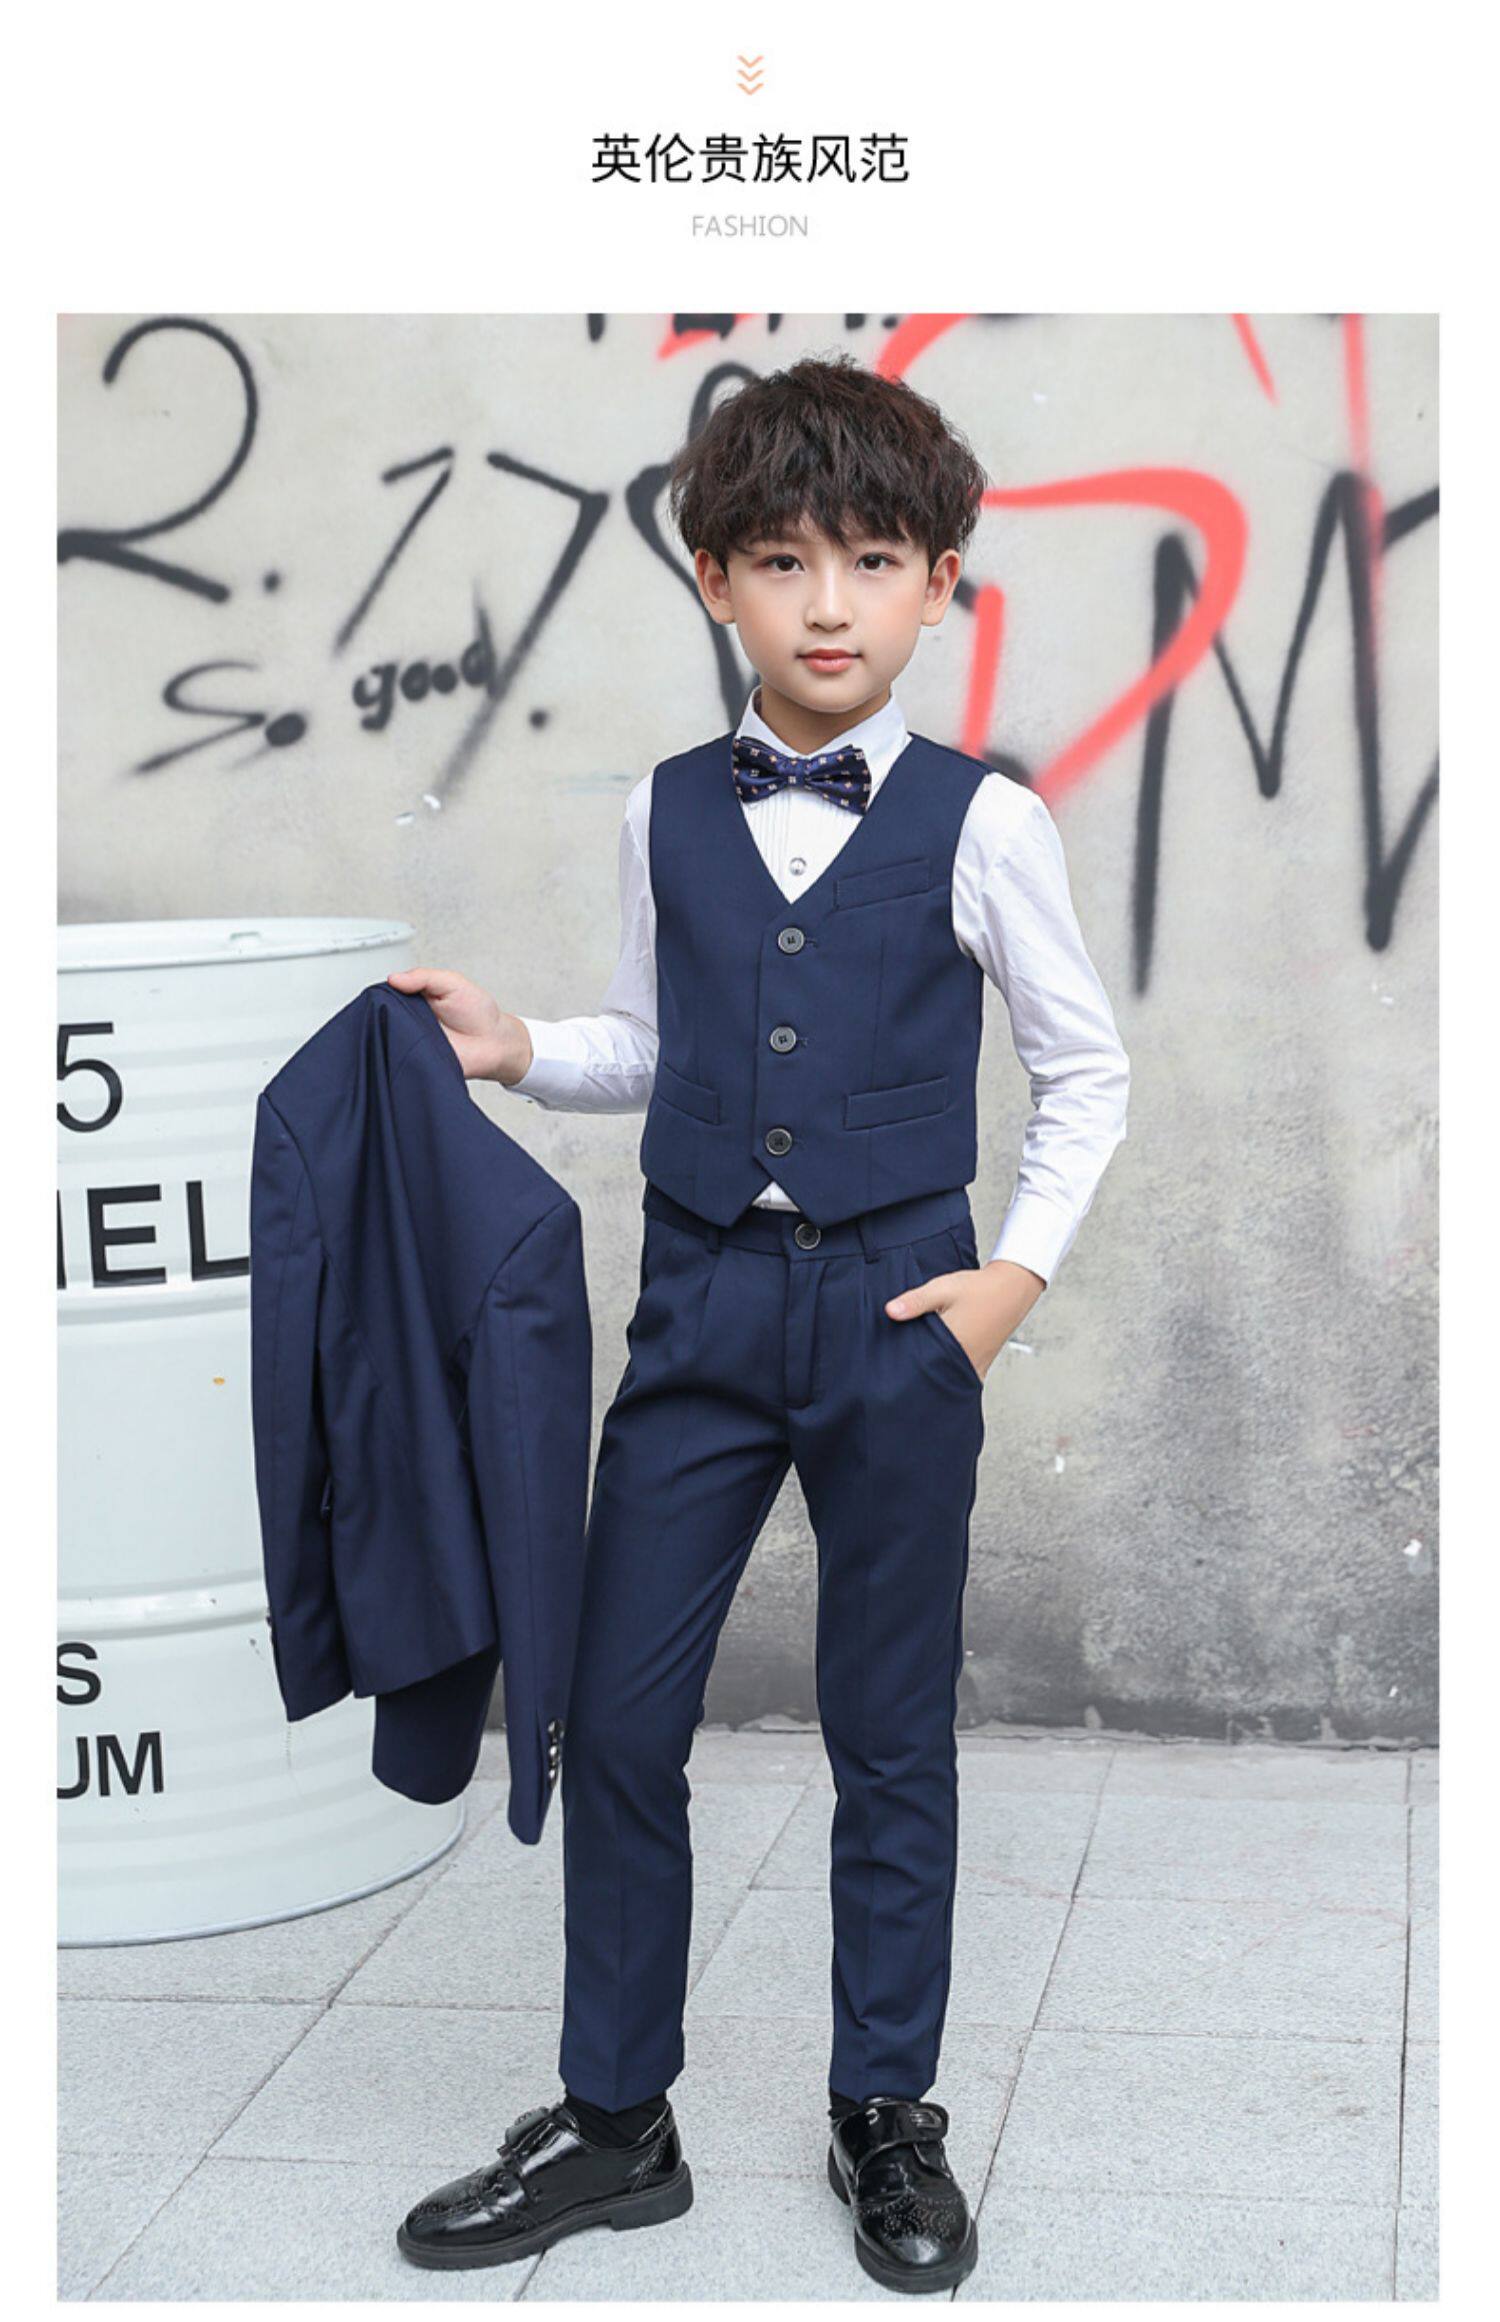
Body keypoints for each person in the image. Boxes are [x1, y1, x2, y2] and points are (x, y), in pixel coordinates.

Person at [391, 353, 1130, 2292]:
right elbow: (663, 1045)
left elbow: (1087, 1071)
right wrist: (521, 1048)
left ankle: (884, 2108)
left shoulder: (984, 823)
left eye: (872, 562)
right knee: (618, 1718)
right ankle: (617, 2121)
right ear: (713, 579)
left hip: (902, 1315)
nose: (827, 605)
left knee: (889, 1735)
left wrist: (1004, 1288)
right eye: (783, 561)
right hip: (702, 1310)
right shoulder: (665, 811)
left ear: (939, 584)